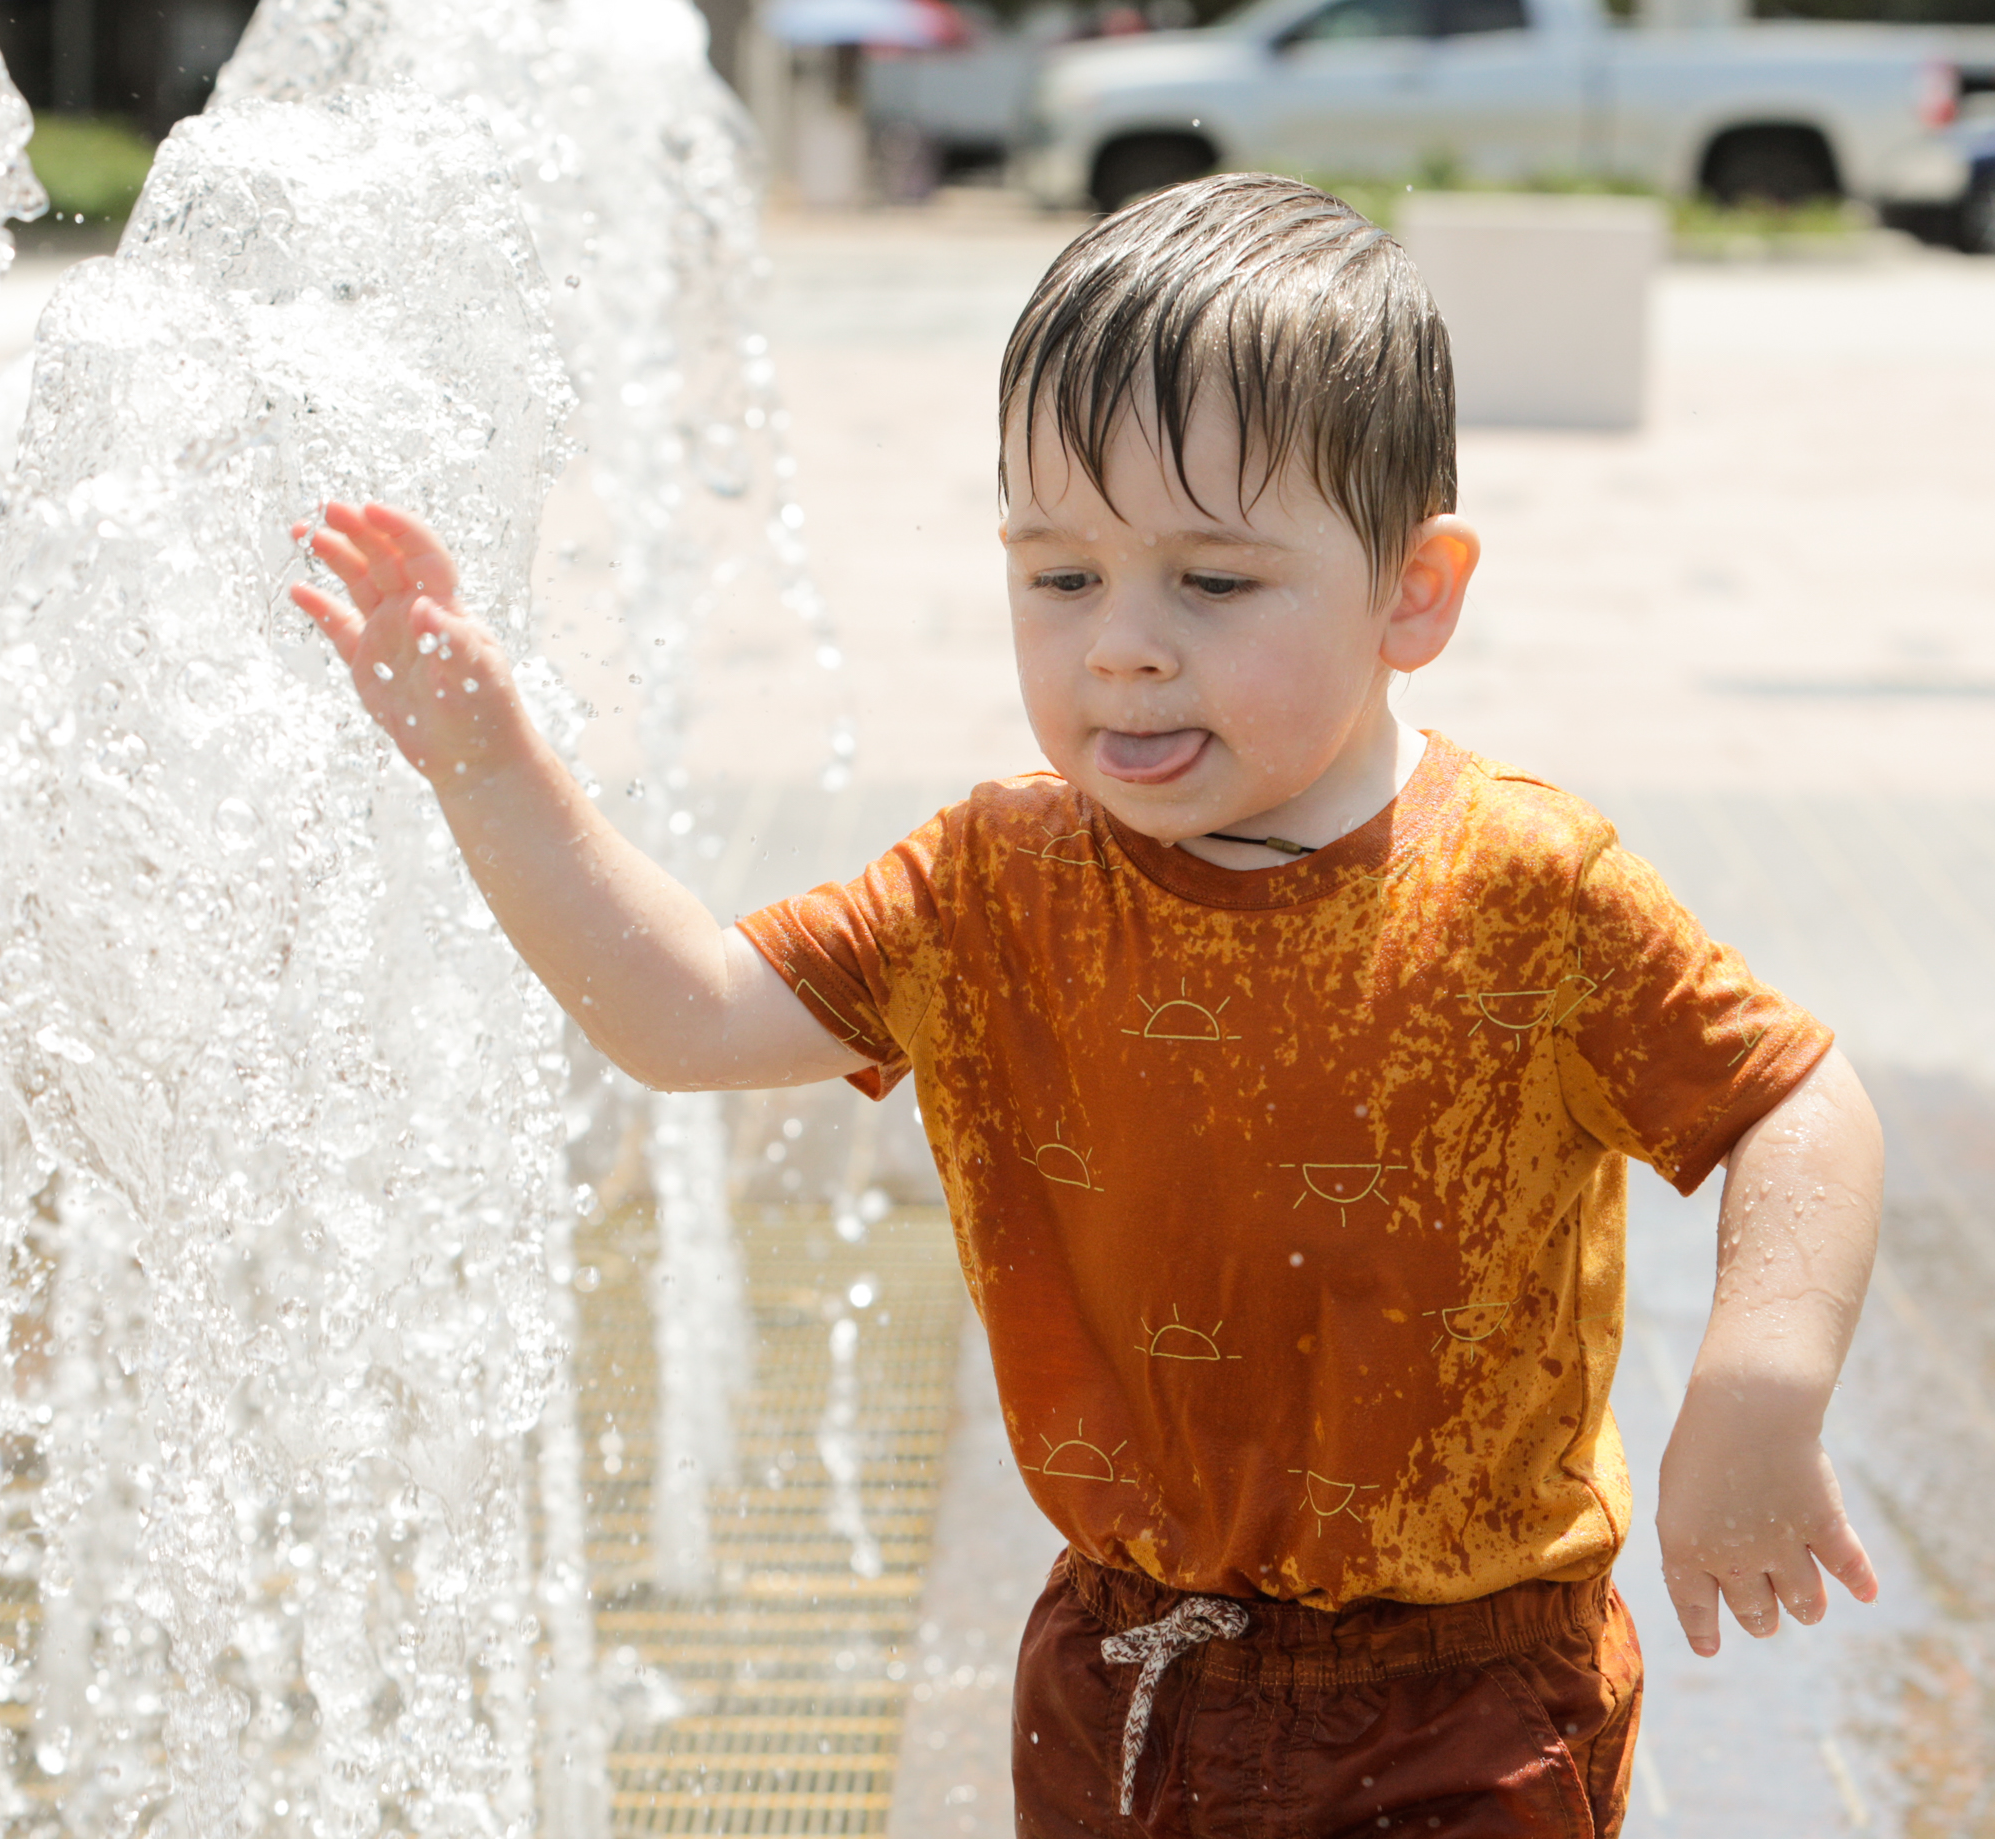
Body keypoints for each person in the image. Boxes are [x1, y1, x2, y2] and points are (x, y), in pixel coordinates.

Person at [291, 172, 1883, 1837]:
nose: (1121, 648)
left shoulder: (1520, 891)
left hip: (1462, 1694)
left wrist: (1760, 1382)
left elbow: (1796, 1102)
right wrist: (490, 769)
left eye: (1212, 584)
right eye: (1059, 580)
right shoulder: (994, 887)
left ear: (1414, 592)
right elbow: (683, 1017)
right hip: (1121, 1674)